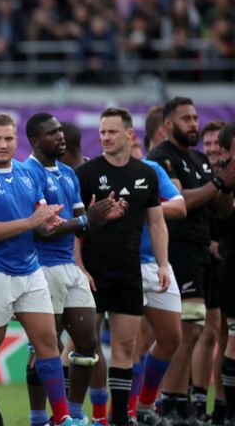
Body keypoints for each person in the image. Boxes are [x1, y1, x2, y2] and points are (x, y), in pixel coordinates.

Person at [0, 112, 78, 426]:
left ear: (17, 140)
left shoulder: (27, 174)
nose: (3, 144)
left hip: (31, 270)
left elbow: (39, 217)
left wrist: (50, 220)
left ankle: (62, 418)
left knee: (48, 343)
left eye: (8, 138)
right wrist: (31, 222)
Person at [22, 112, 125, 425]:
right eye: (52, 133)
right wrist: (85, 219)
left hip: (68, 266)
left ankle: (74, 414)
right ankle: (39, 417)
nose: (60, 136)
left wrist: (99, 215)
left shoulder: (68, 173)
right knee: (45, 346)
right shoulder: (29, 173)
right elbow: (45, 229)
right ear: (35, 141)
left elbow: (81, 226)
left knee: (87, 342)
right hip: (42, 267)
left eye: (60, 131)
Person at [76, 107, 168, 426]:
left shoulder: (147, 174)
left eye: (111, 132)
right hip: (94, 271)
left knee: (125, 345)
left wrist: (163, 265)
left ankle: (119, 416)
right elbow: (76, 227)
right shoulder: (87, 174)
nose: (104, 137)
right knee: (84, 344)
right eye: (102, 132)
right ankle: (73, 414)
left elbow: (156, 224)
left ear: (129, 135)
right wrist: (80, 268)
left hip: (129, 271)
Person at [146, 98, 235, 424]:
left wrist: (225, 182)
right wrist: (217, 182)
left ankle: (183, 402)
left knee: (208, 329)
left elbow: (222, 209)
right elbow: (182, 201)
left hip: (202, 251)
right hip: (178, 246)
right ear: (168, 124)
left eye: (196, 117)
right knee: (188, 328)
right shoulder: (162, 159)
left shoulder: (198, 158)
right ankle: (171, 404)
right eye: (186, 118)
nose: (194, 123)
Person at [126, 133, 186, 426]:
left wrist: (145, 205)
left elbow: (180, 206)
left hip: (157, 265)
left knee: (172, 336)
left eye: (135, 147)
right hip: (125, 265)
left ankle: (146, 404)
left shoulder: (152, 170)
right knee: (132, 343)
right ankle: (128, 413)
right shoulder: (104, 172)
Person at [192, 118, 228, 422]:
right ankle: (197, 400)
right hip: (205, 261)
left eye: (218, 144)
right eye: (208, 144)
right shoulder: (200, 178)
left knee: (221, 333)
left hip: (224, 262)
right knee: (205, 332)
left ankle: (220, 405)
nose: (213, 149)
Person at [213, 122, 235, 426]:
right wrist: (225, 182)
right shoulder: (222, 181)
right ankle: (230, 413)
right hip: (233, 266)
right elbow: (222, 213)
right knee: (232, 338)